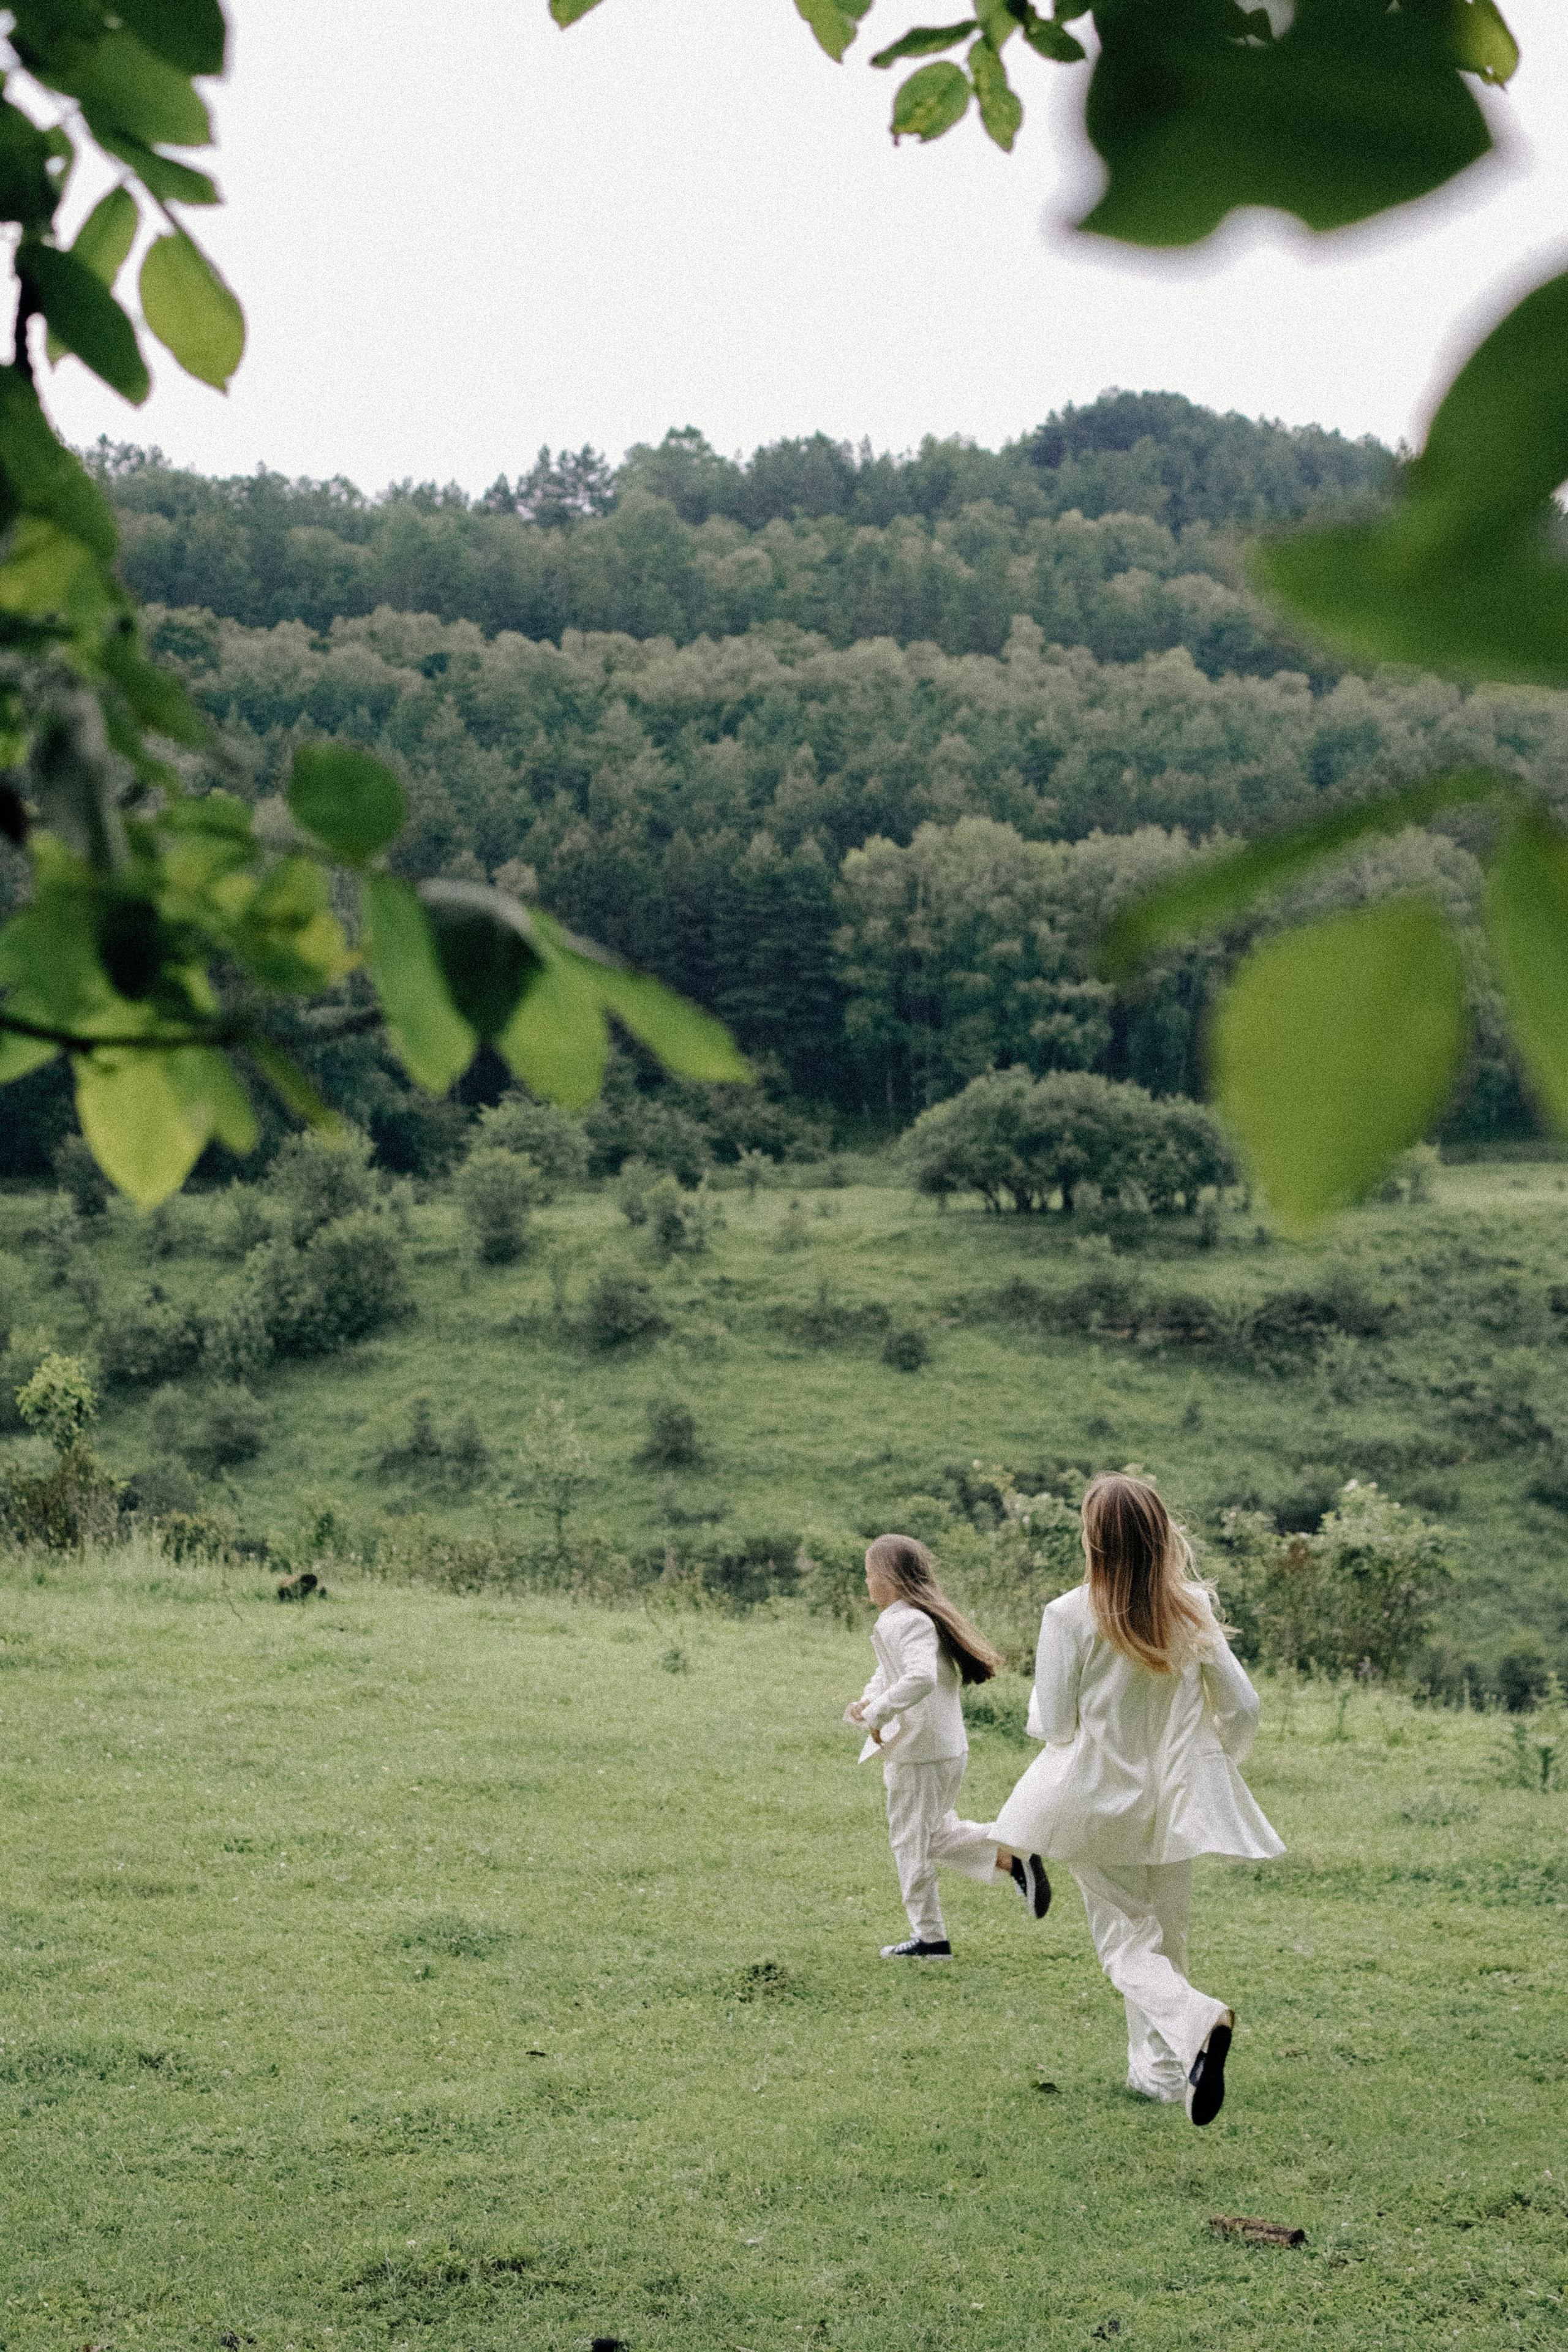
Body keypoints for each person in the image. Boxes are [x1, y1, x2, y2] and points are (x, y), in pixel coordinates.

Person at [995, 1473, 1283, 2125]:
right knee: (1165, 1937)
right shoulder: (1191, 1608)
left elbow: (1056, 1725)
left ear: (1092, 1538)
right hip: (1178, 1800)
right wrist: (1217, 1763)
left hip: (1096, 1799)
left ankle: (1199, 2021)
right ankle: (1160, 2074)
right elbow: (1243, 1706)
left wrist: (1044, 1707)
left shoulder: (1068, 1614)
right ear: (1161, 1534)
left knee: (1125, 1945)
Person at [848, 1532, 1050, 1959]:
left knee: (910, 1844)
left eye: (869, 1574)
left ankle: (931, 1939)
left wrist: (879, 1713)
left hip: (922, 1753)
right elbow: (891, 1672)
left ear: (889, 1577)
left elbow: (920, 1678)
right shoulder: (910, 1619)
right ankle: (1012, 1856)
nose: (866, 1582)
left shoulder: (909, 1621)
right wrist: (869, 1701)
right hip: (939, 1750)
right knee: (933, 1835)